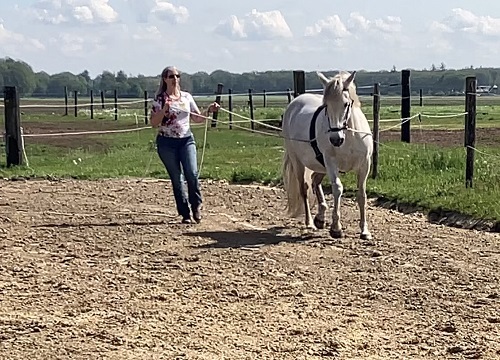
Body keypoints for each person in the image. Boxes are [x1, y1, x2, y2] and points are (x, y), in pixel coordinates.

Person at [150, 65, 219, 224]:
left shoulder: (186, 97)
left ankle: (196, 206)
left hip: (186, 140)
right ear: (165, 79)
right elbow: (153, 122)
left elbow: (197, 118)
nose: (175, 79)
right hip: (166, 143)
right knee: (177, 178)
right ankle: (185, 213)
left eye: (177, 76)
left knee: (192, 173)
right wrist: (164, 110)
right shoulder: (159, 99)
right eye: (171, 76)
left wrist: (208, 110)